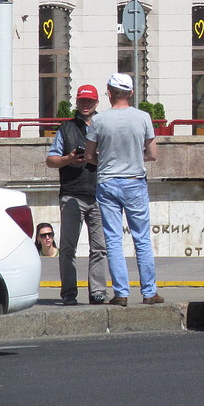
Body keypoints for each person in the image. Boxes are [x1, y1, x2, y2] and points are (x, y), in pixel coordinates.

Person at [84, 73, 163, 307]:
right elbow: (153, 154)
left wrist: (108, 161)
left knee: (113, 239)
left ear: (109, 92)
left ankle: (121, 293)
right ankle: (149, 292)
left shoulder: (99, 121)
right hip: (134, 181)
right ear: (130, 93)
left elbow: (89, 156)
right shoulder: (143, 117)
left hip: (107, 182)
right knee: (142, 238)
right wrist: (132, 159)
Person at [45, 84, 108, 306]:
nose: (86, 105)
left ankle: (98, 292)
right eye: (82, 101)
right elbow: (50, 160)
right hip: (72, 194)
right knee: (68, 248)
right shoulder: (66, 128)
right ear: (77, 102)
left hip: (100, 195)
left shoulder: (105, 125)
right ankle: (69, 293)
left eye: (90, 101)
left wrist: (98, 157)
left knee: (100, 248)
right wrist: (69, 159)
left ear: (97, 103)